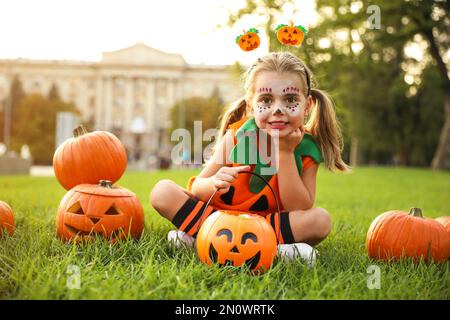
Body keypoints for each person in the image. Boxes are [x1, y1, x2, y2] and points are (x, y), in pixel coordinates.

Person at [150, 52, 349, 265]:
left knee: (320, 221)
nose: (278, 109)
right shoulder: (236, 137)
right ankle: (259, 248)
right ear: (251, 105)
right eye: (266, 100)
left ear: (307, 104)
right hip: (221, 218)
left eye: (290, 100)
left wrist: (285, 153)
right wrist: (214, 183)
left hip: (268, 225)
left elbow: (299, 207)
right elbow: (198, 188)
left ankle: (212, 242)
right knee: (163, 192)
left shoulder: (307, 148)